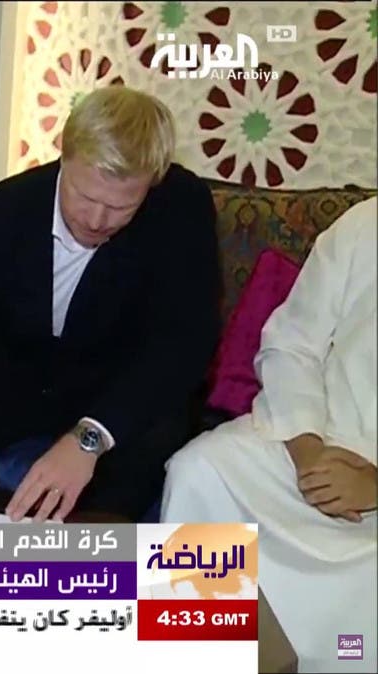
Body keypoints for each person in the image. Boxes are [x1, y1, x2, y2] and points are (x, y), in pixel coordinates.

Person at [0, 85, 221, 524]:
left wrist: (91, 437)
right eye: (85, 197)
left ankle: (101, 581)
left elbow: (184, 344)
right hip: (13, 389)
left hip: (119, 395)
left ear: (153, 180)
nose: (96, 220)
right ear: (64, 157)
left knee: (157, 442)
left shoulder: (182, 208)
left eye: (120, 207)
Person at [162, 197, 376, 674]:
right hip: (312, 440)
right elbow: (290, 342)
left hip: (371, 491)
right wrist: (308, 452)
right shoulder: (365, 224)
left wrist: (373, 485)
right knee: (200, 471)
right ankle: (202, 653)